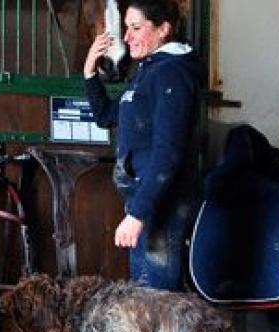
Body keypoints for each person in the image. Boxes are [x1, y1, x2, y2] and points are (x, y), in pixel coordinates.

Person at [83, 0, 200, 290]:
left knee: (155, 298)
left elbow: (168, 152)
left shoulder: (170, 73)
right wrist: (89, 73)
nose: (126, 37)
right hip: (146, 200)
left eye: (136, 28)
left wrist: (138, 213)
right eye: (126, 28)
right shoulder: (147, 72)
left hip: (160, 204)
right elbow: (107, 116)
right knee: (147, 296)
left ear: (163, 29)